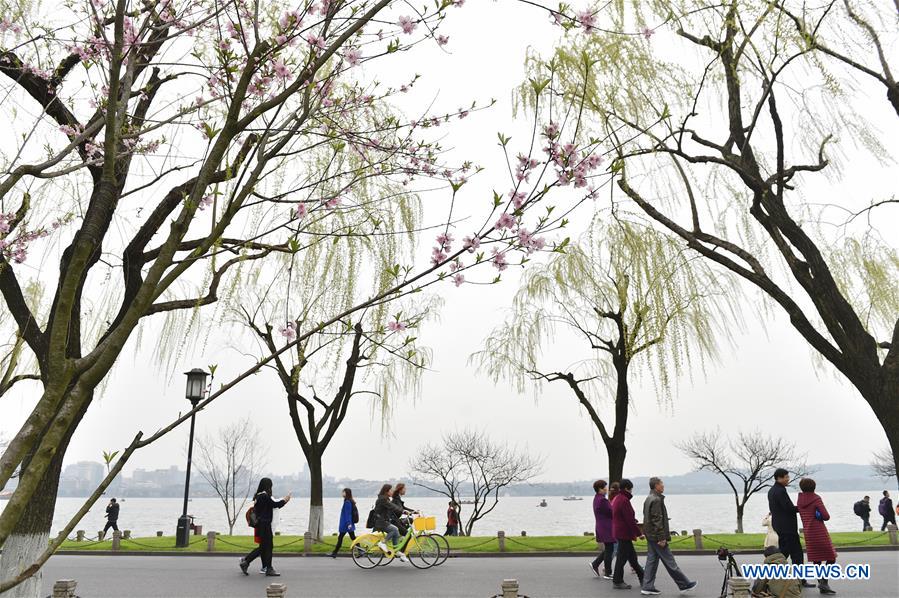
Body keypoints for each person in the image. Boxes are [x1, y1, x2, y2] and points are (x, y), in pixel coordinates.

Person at [640, 477, 698, 595]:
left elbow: (647, 518)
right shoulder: (656, 499)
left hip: (650, 535)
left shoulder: (648, 498)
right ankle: (684, 584)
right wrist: (661, 538)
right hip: (657, 537)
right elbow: (657, 519)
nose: (663, 486)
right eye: (661, 484)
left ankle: (647, 586)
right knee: (669, 561)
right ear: (656, 485)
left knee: (652, 561)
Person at [767, 468, 814, 588]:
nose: (788, 479)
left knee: (784, 553)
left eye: (788, 477)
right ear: (779, 478)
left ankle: (771, 576)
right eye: (786, 477)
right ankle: (800, 580)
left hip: (780, 526)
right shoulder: (780, 491)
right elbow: (788, 508)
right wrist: (803, 507)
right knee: (797, 554)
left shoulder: (772, 490)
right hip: (787, 528)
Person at [240, 478, 291, 577]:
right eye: (270, 486)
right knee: (266, 547)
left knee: (264, 547)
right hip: (265, 525)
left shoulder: (258, 496)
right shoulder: (264, 496)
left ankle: (250, 563)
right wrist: (285, 500)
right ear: (268, 486)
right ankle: (264, 567)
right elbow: (275, 505)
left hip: (261, 525)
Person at [797, 478, 837, 595]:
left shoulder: (800, 500)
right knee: (831, 557)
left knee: (817, 559)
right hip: (819, 531)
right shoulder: (816, 498)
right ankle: (824, 581)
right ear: (813, 487)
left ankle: (822, 582)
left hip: (808, 533)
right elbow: (826, 516)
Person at [610, 478, 644, 590]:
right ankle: (618, 581)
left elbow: (623, 517)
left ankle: (643, 577)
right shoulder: (624, 500)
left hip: (619, 531)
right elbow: (629, 519)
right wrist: (639, 534)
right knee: (622, 558)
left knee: (632, 558)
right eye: (631, 489)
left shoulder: (617, 498)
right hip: (624, 533)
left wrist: (633, 522)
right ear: (627, 488)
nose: (631, 492)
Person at [373, 483, 408, 562]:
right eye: (391, 490)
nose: (392, 491)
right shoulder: (382, 499)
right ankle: (383, 543)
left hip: (384, 521)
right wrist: (403, 511)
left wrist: (403, 511)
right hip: (380, 522)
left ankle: (396, 550)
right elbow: (392, 506)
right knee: (394, 529)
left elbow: (393, 507)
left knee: (396, 531)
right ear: (386, 491)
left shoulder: (386, 499)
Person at [589, 479, 615, 579]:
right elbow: (611, 512)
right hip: (606, 527)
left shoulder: (596, 498)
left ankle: (595, 564)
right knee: (610, 549)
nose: (607, 489)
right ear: (600, 488)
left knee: (609, 548)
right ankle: (608, 572)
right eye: (605, 487)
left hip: (601, 526)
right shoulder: (603, 500)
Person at [330, 488, 357, 558]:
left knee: (343, 537)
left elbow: (347, 514)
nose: (342, 493)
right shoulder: (348, 501)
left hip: (346, 524)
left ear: (346, 493)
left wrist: (348, 524)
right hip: (347, 523)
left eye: (343, 492)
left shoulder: (347, 502)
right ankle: (334, 553)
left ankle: (334, 553)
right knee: (352, 537)